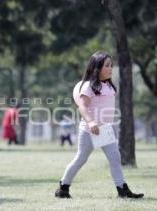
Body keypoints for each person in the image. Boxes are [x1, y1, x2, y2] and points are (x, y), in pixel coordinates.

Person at [55, 51, 144, 199]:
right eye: (107, 66)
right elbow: (82, 107)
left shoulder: (108, 86)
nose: (110, 69)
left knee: (115, 158)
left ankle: (122, 190)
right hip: (90, 130)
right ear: (97, 68)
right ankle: (63, 188)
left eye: (111, 65)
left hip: (105, 129)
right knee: (81, 159)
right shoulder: (88, 86)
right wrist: (91, 122)